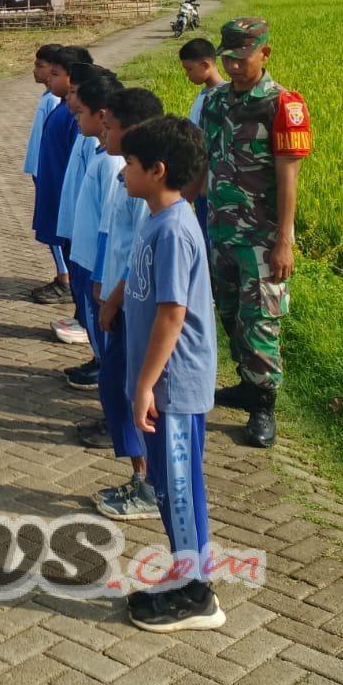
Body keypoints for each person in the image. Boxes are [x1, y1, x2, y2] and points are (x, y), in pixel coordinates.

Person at [116, 115, 225, 633]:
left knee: (180, 488)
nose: (122, 172)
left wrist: (144, 385)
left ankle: (198, 594)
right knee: (167, 485)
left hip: (172, 386)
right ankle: (187, 575)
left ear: (157, 171)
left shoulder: (176, 230)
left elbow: (172, 313)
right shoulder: (157, 218)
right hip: (159, 383)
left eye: (130, 165)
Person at [197, 17, 313, 448]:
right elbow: (204, 163)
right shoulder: (215, 103)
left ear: (265, 53)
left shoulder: (283, 105)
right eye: (227, 59)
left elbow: (289, 179)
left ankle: (263, 404)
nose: (233, 67)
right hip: (220, 233)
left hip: (263, 239)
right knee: (229, 314)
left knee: (261, 321)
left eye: (242, 59)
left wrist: (284, 241)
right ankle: (246, 382)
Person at [90, 86, 165, 522]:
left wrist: (114, 299)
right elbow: (115, 240)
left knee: (130, 391)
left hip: (133, 306)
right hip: (121, 300)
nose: (103, 131)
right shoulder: (126, 175)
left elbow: (140, 254)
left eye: (110, 126)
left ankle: (149, 483)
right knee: (115, 388)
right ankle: (142, 477)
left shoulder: (144, 185)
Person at [61, 68, 122, 394]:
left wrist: (100, 274)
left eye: (81, 111)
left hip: (97, 264)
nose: (76, 117)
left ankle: (107, 378)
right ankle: (100, 362)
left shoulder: (112, 163)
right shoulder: (101, 153)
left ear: (101, 115)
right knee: (93, 325)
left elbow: (108, 227)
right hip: (84, 259)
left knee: (104, 328)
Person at [28, 45, 90, 304]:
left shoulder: (75, 116)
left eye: (55, 74)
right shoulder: (61, 106)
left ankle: (75, 296)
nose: (49, 79)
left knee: (74, 249)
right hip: (54, 185)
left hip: (66, 191)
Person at [23, 44, 66, 298]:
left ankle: (64, 277)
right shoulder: (48, 98)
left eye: (40, 66)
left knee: (55, 225)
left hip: (49, 171)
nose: (35, 71)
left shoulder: (54, 100)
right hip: (42, 169)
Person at [179, 38, 225, 241]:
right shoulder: (203, 95)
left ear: (206, 65)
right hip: (198, 180)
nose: (187, 75)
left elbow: (214, 145)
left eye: (189, 69)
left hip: (209, 184)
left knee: (210, 240)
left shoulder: (222, 98)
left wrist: (205, 181)